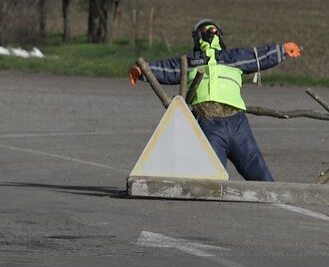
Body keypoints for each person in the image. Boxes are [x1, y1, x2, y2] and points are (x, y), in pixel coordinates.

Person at [129, 19, 303, 181]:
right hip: (208, 122)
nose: (209, 33)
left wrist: (281, 50)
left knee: (259, 173)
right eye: (204, 30)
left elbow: (259, 56)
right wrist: (142, 71)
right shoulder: (190, 62)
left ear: (219, 34)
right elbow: (166, 69)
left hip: (237, 122)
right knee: (211, 179)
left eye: (212, 30)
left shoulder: (233, 57)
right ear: (197, 37)